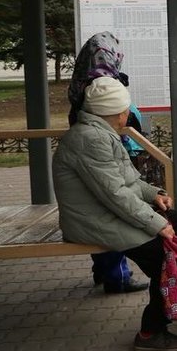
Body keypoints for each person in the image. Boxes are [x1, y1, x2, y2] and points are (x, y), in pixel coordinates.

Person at [53, 77, 177, 351]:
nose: (130, 112)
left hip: (106, 213)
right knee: (164, 260)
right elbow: (115, 195)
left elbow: (129, 182)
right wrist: (157, 224)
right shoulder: (91, 140)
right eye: (127, 108)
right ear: (116, 112)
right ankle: (151, 333)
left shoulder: (101, 133)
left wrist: (154, 195)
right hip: (93, 221)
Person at [67, 31, 146, 295]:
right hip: (106, 152)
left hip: (99, 156)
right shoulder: (102, 83)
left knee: (101, 202)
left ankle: (104, 270)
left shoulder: (83, 82)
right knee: (111, 209)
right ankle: (117, 277)